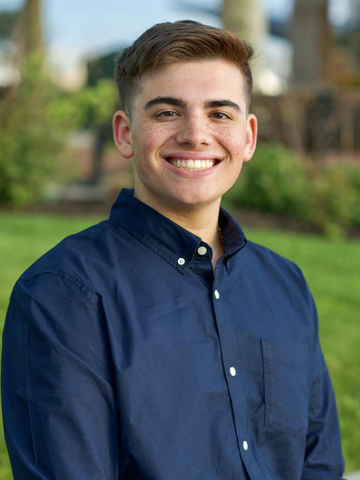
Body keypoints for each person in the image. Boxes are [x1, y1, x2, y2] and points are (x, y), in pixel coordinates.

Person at [2, 20, 345, 480]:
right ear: (125, 133)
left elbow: (317, 463)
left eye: (220, 113)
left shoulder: (285, 284)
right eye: (167, 112)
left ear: (249, 138)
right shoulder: (62, 297)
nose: (195, 134)